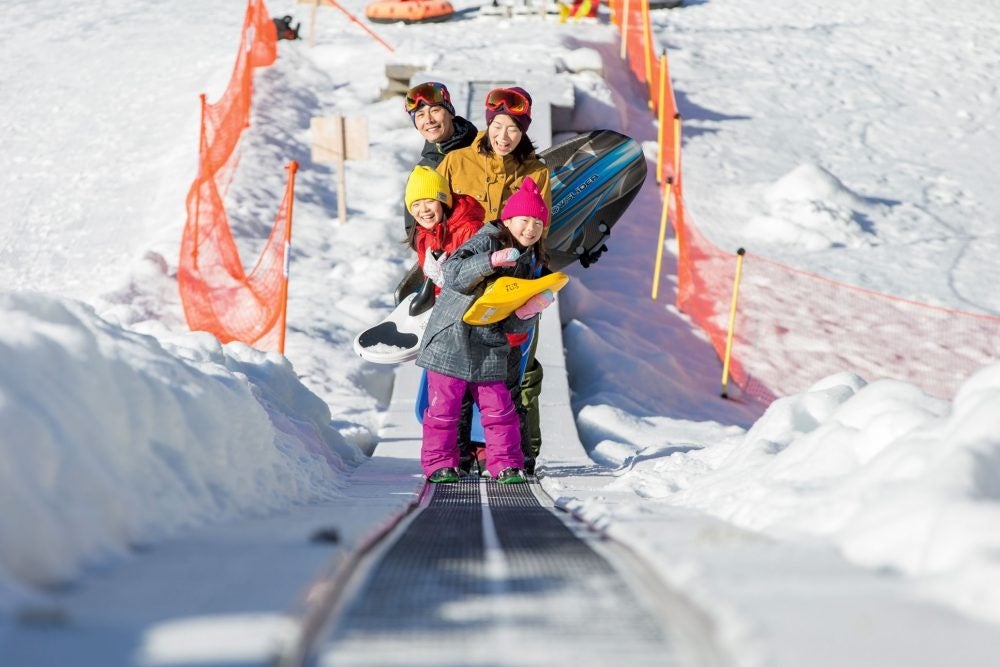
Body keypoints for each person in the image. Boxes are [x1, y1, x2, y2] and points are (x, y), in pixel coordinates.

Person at [437, 86, 550, 474]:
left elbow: (541, 225)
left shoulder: (535, 170)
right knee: (457, 369)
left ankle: (516, 452)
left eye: (514, 130)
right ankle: (461, 452)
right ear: (488, 125)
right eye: (499, 126)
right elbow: (433, 213)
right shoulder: (455, 162)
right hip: (462, 277)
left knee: (512, 368)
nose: (505, 137)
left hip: (512, 283)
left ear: (523, 132)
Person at [416, 177, 555, 484]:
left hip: (489, 343)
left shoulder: (528, 260)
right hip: (451, 338)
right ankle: (440, 463)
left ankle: (505, 464)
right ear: (508, 219)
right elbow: (453, 272)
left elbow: (507, 319)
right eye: (524, 220)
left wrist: (528, 311)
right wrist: (490, 261)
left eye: (537, 223)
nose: (530, 229)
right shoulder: (487, 239)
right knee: (444, 408)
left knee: (500, 409)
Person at [402, 82, 479, 238]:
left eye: (435, 110)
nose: (429, 120)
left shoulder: (482, 149)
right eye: (420, 115)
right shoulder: (424, 170)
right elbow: (414, 231)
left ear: (450, 113)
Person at [403, 165, 484, 288]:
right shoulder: (423, 235)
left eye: (430, 201)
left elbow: (481, 275)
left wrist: (448, 278)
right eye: (416, 204)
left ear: (443, 202)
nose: (424, 209)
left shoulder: (469, 230)